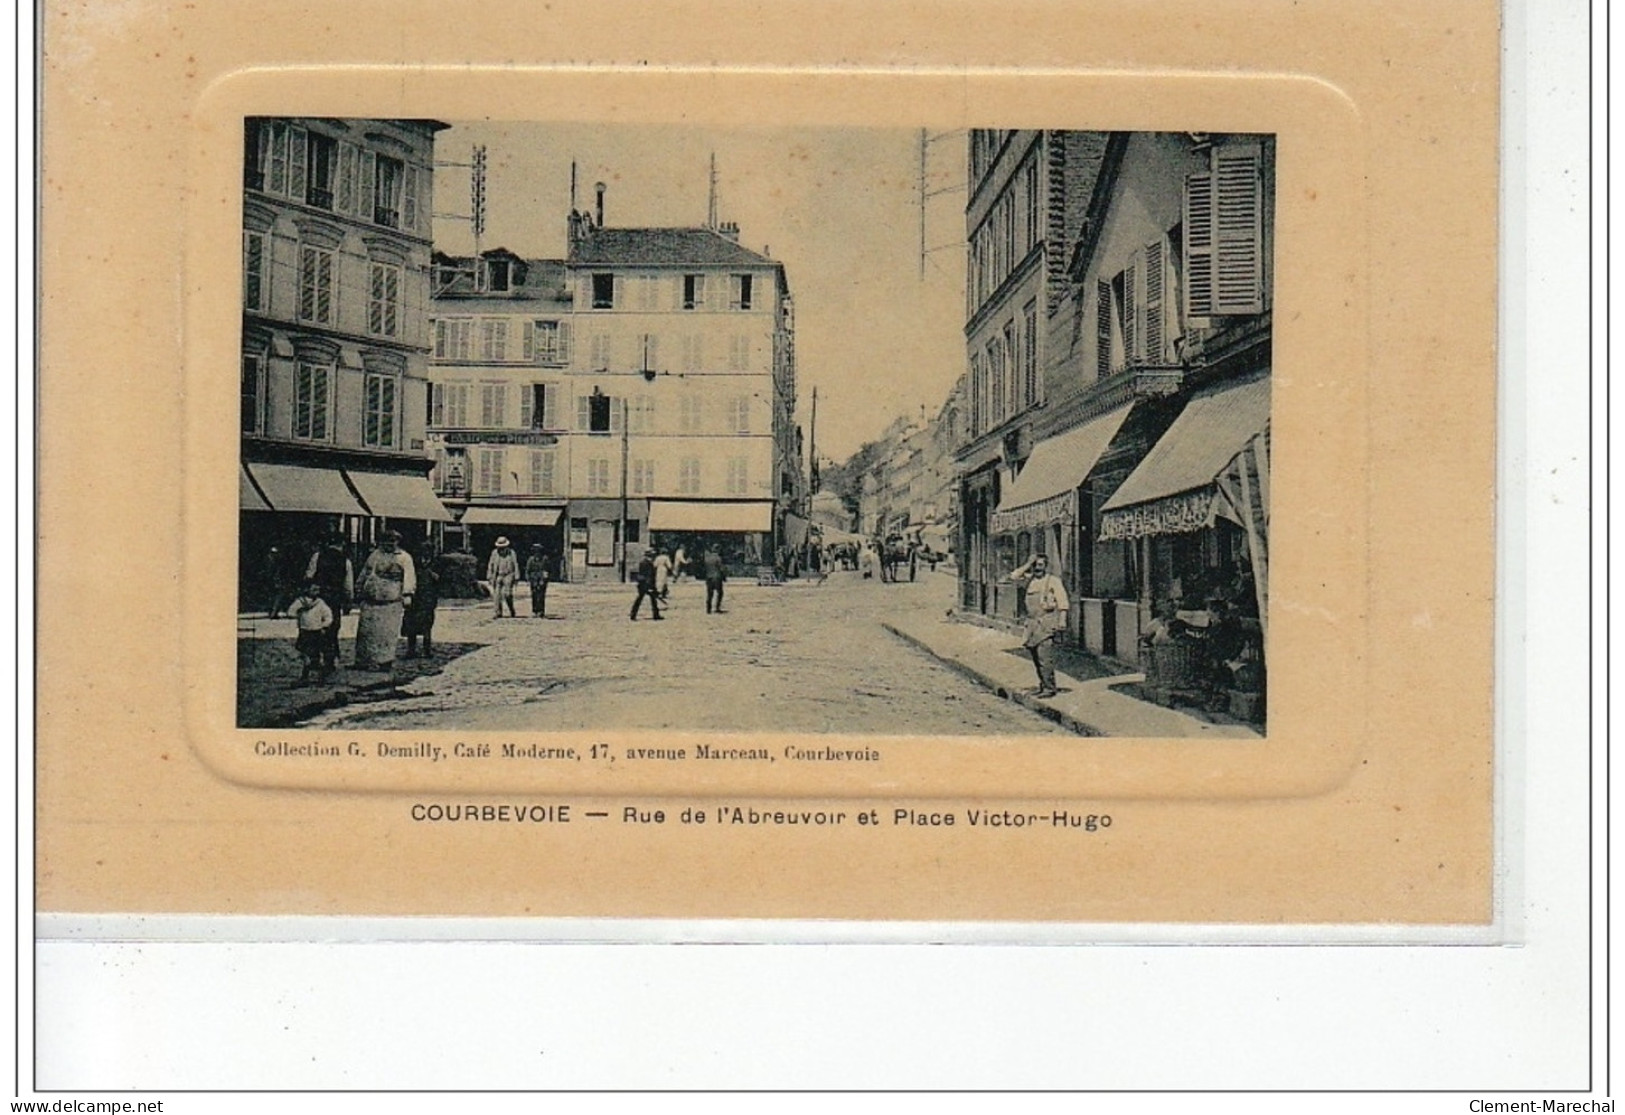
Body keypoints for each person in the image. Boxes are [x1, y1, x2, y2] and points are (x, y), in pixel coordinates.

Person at [1007, 552, 1069, 698]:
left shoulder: (1053, 580)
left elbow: (1063, 601)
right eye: (1035, 565)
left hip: (1046, 621)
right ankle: (1043, 685)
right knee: (1035, 656)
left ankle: (1049, 688)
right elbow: (1013, 576)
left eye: (1040, 565)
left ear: (1046, 566)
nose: (1037, 568)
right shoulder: (1029, 580)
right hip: (1032, 623)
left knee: (1044, 656)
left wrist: (1062, 620)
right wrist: (1028, 563)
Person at [353, 531, 416, 671]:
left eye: (391, 542)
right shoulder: (375, 555)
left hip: (391, 599)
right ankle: (363, 660)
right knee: (366, 631)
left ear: (397, 542)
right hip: (371, 598)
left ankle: (385, 662)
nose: (388, 545)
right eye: (385, 542)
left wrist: (407, 594)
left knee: (387, 632)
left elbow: (409, 576)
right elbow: (366, 571)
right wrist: (358, 586)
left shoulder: (404, 558)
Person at [304, 534, 353, 678]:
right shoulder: (346, 561)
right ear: (342, 544)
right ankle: (329, 661)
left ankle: (314, 659)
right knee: (331, 629)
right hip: (334, 599)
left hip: (317, 599)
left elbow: (309, 575)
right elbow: (348, 585)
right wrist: (348, 601)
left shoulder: (317, 556)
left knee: (313, 628)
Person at [402, 544, 441, 657]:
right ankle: (411, 650)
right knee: (411, 626)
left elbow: (440, 581)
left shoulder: (436, 565)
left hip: (428, 599)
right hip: (415, 598)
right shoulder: (413, 565)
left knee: (427, 626)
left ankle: (427, 650)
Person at [289, 582, 333, 684]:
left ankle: (320, 677)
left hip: (316, 631)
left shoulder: (320, 603)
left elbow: (328, 615)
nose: (315, 592)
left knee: (316, 654)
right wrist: (299, 612)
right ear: (306, 589)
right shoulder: (300, 602)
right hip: (304, 631)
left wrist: (324, 625)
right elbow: (290, 611)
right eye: (313, 590)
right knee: (305, 654)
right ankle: (305, 676)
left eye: (317, 590)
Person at [487, 537, 519, 619]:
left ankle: (511, 609)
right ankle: (498, 612)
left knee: (507, 594)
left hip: (508, 575)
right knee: (497, 595)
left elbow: (515, 564)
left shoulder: (511, 553)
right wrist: (489, 575)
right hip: (498, 575)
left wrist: (516, 576)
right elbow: (491, 564)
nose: (501, 548)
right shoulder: (494, 553)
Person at [630, 550, 664, 621]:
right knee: (644, 599)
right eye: (652, 555)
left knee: (643, 600)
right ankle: (655, 615)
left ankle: (633, 614)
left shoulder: (643, 562)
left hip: (643, 584)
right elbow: (649, 576)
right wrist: (650, 587)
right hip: (646, 584)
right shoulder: (648, 563)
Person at [525, 544, 551, 618]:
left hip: (542, 578)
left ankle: (541, 611)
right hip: (534, 579)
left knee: (541, 595)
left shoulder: (545, 559)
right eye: (535, 551)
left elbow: (548, 570)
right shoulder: (531, 559)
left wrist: (545, 579)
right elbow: (528, 570)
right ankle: (535, 610)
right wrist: (528, 578)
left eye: (538, 551)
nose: (537, 553)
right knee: (534, 595)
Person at [702, 546, 726, 614]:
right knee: (720, 593)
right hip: (717, 577)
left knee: (709, 594)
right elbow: (721, 568)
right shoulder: (718, 558)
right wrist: (724, 577)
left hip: (709, 577)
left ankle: (708, 609)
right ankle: (717, 607)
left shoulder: (707, 558)